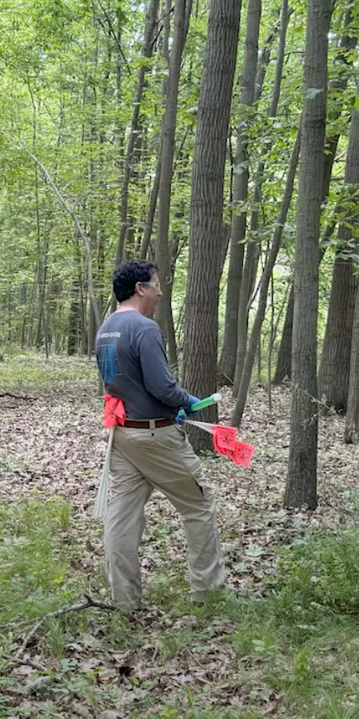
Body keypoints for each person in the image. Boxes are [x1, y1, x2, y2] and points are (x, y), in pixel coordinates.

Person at [93, 259, 227, 610]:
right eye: (155, 284)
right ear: (140, 289)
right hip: (155, 437)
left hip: (122, 436)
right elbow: (162, 385)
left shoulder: (105, 328)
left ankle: (124, 600)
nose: (159, 291)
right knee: (198, 506)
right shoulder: (145, 328)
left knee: (122, 516)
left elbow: (121, 382)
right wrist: (186, 402)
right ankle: (208, 593)